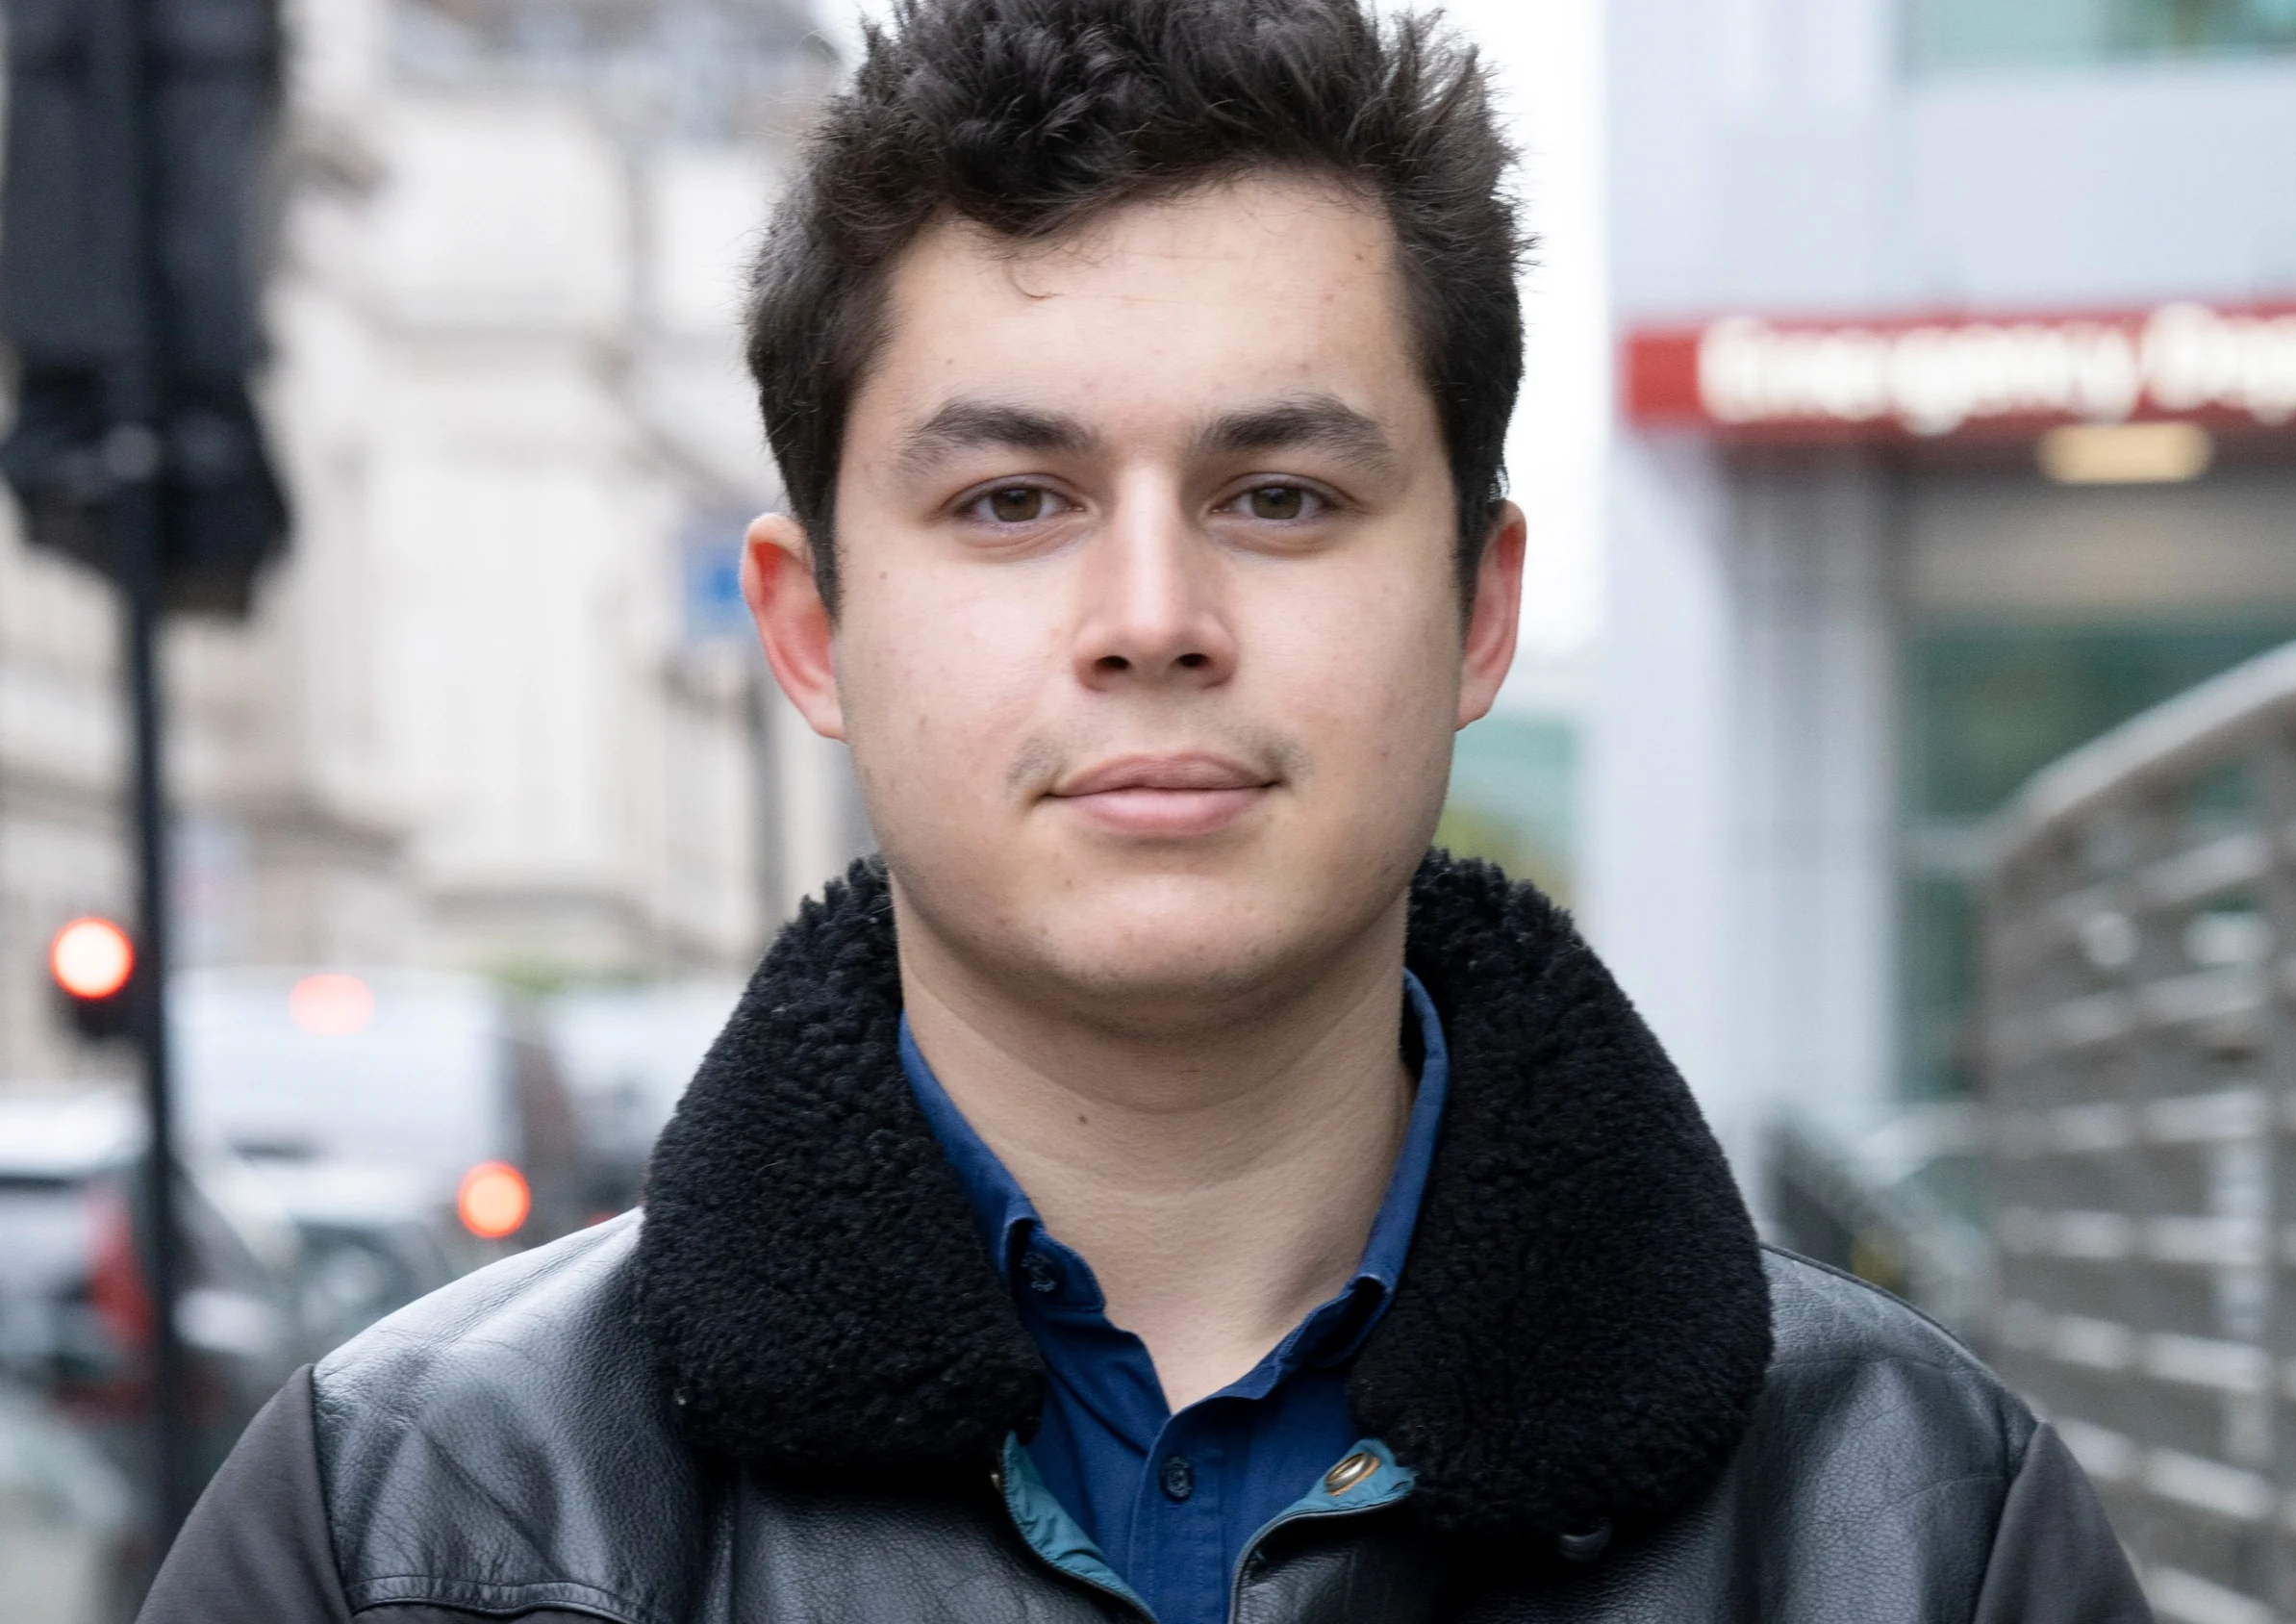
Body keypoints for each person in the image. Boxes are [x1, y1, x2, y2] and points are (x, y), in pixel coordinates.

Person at [141, 1, 2150, 1617]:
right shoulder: (401, 1526)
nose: (1154, 620)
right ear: (811, 623)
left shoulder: (1920, 1526)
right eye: (1013, 501)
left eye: (1280, 495)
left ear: (1481, 605)